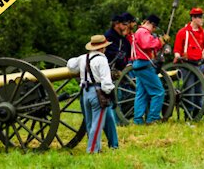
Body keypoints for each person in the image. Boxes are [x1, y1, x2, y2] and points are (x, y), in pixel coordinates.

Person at [67, 35, 116, 153]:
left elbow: (70, 65)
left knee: (89, 122)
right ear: (102, 48)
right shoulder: (102, 60)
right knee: (97, 124)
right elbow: (106, 82)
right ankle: (93, 150)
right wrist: (110, 94)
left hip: (85, 92)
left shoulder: (83, 58)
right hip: (98, 92)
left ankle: (95, 147)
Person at [173, 7, 204, 119]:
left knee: (200, 91)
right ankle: (188, 115)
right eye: (200, 17)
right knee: (189, 90)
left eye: (202, 17)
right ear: (193, 18)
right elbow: (177, 49)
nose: (202, 20)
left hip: (200, 65)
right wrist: (177, 56)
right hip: (187, 66)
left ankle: (197, 114)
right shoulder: (182, 32)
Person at [131, 14, 170, 124]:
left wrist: (159, 42)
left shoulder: (140, 32)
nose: (153, 30)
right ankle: (152, 118)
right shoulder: (143, 32)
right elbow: (147, 44)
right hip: (144, 65)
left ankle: (138, 120)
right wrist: (160, 41)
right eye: (154, 27)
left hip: (139, 65)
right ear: (151, 24)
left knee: (141, 94)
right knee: (158, 92)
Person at [102, 14, 131, 149]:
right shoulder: (109, 36)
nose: (126, 26)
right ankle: (115, 121)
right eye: (124, 24)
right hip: (108, 71)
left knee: (119, 96)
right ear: (116, 24)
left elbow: (127, 52)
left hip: (119, 71)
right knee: (114, 97)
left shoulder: (123, 39)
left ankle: (119, 119)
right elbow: (107, 52)